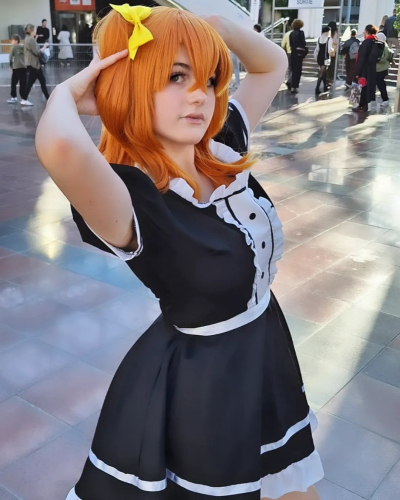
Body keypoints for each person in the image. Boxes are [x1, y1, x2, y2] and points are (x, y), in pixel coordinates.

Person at [36, 6, 324, 500]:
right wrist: (71, 93)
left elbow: (272, 64)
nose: (199, 95)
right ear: (129, 85)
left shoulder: (220, 143)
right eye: (175, 76)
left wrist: (215, 25)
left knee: (293, 484)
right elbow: (61, 145)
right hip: (205, 381)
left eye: (209, 79)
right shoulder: (129, 199)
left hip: (265, 347)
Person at [355, 24, 381, 112]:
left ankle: (361, 105)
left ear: (367, 32)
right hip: (372, 68)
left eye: (364, 31)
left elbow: (361, 58)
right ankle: (365, 105)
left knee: (362, 87)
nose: (363, 33)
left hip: (364, 69)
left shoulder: (366, 43)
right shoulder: (376, 41)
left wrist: (357, 72)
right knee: (368, 87)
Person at [23, 24, 50, 105]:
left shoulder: (28, 39)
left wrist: (35, 39)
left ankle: (48, 98)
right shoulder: (31, 40)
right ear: (31, 30)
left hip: (32, 64)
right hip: (34, 64)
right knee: (34, 82)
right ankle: (24, 99)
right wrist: (44, 46)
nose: (36, 31)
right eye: (35, 30)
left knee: (39, 81)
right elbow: (37, 52)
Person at [7, 34, 27, 104]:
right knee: (23, 83)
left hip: (16, 67)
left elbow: (10, 57)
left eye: (12, 40)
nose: (11, 42)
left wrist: (10, 65)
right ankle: (23, 98)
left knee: (13, 83)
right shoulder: (23, 47)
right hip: (24, 67)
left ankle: (14, 97)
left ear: (16, 41)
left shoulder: (13, 47)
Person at [289, 18, 306, 94]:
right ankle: (295, 86)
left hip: (293, 53)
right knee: (298, 70)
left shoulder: (291, 34)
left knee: (293, 70)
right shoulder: (301, 33)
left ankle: (292, 86)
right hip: (299, 54)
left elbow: (291, 44)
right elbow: (303, 43)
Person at [315, 26, 333, 95]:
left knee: (324, 72)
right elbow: (329, 50)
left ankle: (325, 86)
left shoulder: (319, 39)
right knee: (322, 73)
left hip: (319, 57)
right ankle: (317, 88)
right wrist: (333, 50)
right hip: (325, 57)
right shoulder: (329, 39)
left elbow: (317, 49)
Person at [376, 32, 391, 107]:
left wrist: (375, 60)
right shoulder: (385, 46)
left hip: (380, 68)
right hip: (383, 68)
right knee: (381, 83)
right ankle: (385, 99)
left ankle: (385, 99)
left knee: (380, 84)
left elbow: (382, 58)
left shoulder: (382, 47)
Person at [281, 24, 293, 90]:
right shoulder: (299, 33)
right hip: (296, 53)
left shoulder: (287, 34)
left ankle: (289, 80)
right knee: (294, 69)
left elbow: (283, 45)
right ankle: (290, 81)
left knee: (290, 68)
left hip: (289, 52)